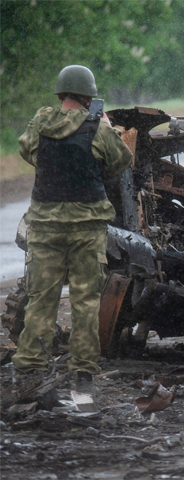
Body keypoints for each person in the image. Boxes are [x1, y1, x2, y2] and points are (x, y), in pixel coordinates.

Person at [11, 65, 132, 392]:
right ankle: (83, 375)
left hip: (45, 227)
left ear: (61, 93)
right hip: (86, 229)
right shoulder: (99, 128)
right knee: (85, 302)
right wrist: (108, 129)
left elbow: (27, 151)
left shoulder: (40, 122)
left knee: (41, 300)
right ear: (89, 95)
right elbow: (121, 162)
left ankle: (29, 373)